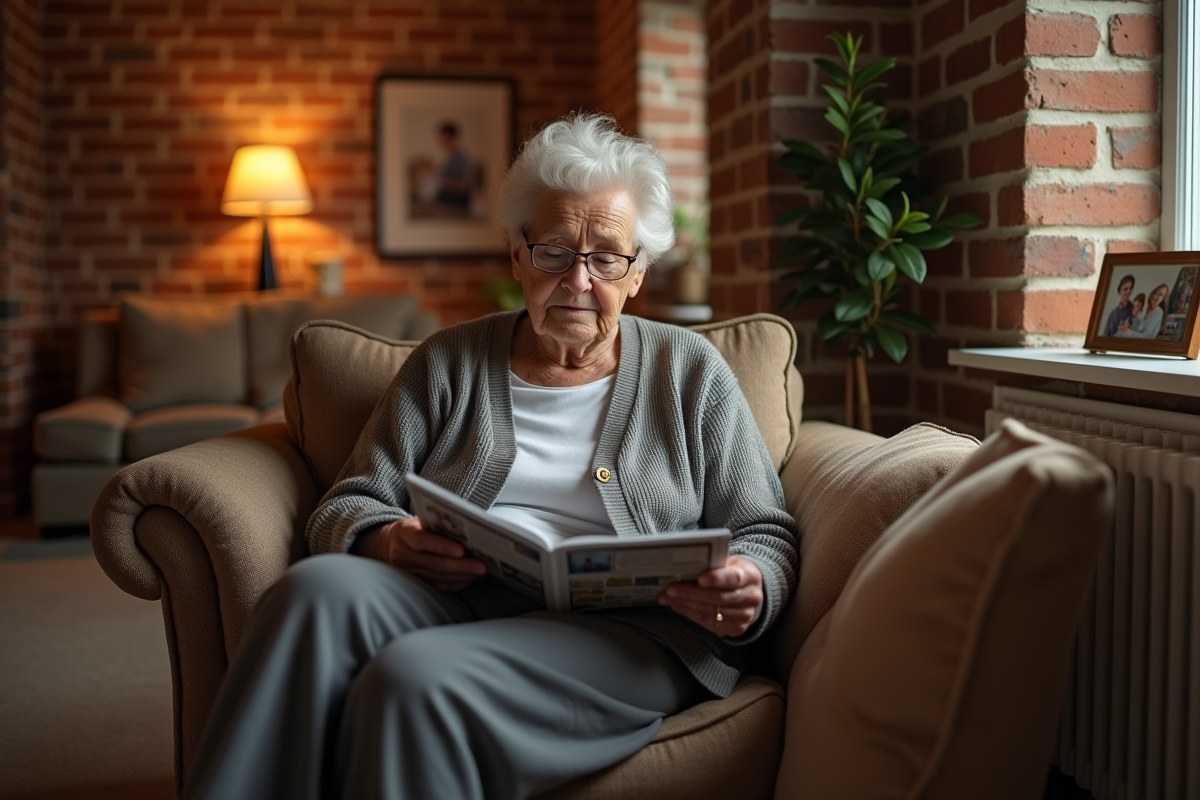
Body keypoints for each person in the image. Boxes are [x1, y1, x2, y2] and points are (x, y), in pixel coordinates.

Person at [181, 113, 798, 800]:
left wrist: (752, 585)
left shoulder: (690, 372)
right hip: (458, 601)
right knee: (311, 595)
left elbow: (764, 530)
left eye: (606, 257)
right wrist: (385, 541)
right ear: (516, 254)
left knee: (413, 679)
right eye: (554, 251)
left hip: (634, 637)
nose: (578, 280)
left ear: (638, 273)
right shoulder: (448, 362)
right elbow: (347, 504)